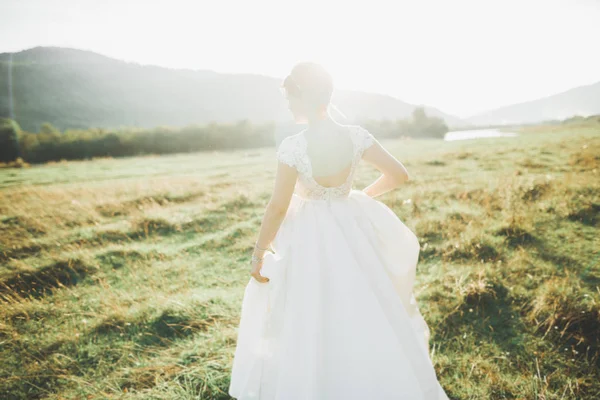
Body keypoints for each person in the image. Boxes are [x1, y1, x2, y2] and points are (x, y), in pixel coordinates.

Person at [228, 62, 449, 399]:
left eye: (290, 97)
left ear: (302, 99)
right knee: (361, 305)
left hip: (308, 237)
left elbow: (277, 207)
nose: (287, 104)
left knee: (310, 311)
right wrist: (357, 197)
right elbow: (398, 174)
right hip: (351, 231)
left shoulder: (293, 146)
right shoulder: (356, 136)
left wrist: (259, 252)